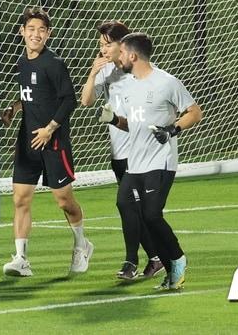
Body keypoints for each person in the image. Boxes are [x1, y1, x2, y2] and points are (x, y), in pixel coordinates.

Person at [97, 30, 201, 291]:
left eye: (121, 52)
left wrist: (172, 130)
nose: (117, 56)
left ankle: (176, 258)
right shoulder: (129, 86)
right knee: (127, 205)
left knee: (152, 215)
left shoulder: (167, 82)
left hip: (161, 161)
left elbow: (194, 112)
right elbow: (131, 125)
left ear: (132, 55)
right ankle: (170, 269)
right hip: (136, 163)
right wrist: (113, 120)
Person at [0, 7, 91, 278]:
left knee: (64, 201)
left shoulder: (54, 63)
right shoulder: (21, 62)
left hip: (53, 141)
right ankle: (20, 258)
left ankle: (82, 244)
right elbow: (32, 96)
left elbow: (68, 100)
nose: (35, 34)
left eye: (41, 30)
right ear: (22, 32)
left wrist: (50, 129)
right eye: (31, 29)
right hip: (28, 139)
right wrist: (15, 108)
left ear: (48, 34)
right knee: (20, 199)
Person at [80, 19, 161, 282]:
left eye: (108, 44)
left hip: (140, 154)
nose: (103, 49)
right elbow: (86, 101)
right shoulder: (105, 72)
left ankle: (130, 261)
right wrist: (92, 74)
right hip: (119, 155)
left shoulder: (142, 73)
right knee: (135, 210)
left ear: (123, 45)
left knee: (125, 203)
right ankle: (157, 258)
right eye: (100, 44)